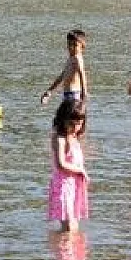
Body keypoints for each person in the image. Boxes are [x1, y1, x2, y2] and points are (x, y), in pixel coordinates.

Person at [47, 99, 89, 234]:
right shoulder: (60, 139)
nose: (76, 127)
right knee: (68, 224)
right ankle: (64, 251)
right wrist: (80, 170)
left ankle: (73, 251)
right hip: (63, 186)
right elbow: (60, 164)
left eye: (79, 123)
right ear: (63, 120)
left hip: (75, 185)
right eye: (72, 123)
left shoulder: (74, 137)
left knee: (75, 223)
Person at [40, 30, 89, 106]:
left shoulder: (77, 58)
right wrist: (49, 91)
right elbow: (62, 77)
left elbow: (82, 75)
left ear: (82, 46)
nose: (71, 47)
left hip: (74, 95)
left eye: (75, 45)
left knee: (69, 117)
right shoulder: (70, 58)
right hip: (67, 94)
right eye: (69, 44)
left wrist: (84, 94)